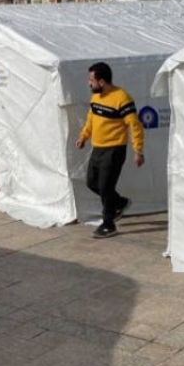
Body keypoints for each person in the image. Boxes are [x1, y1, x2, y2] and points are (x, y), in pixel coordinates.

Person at [75, 62, 145, 238]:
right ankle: (119, 202)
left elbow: (134, 126)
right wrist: (83, 137)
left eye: (91, 80)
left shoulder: (122, 98)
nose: (89, 83)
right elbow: (91, 119)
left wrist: (138, 151)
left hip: (114, 150)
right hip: (97, 148)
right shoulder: (96, 98)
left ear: (102, 81)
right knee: (92, 182)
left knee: (106, 187)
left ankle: (108, 224)